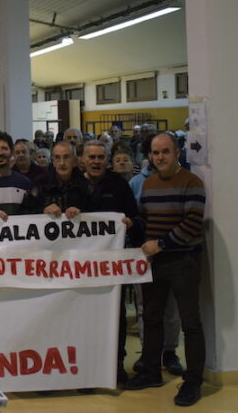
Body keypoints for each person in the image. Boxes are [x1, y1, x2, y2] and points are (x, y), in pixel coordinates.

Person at [126, 133, 206, 407]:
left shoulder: (192, 183)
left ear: (177, 152)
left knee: (190, 323)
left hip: (183, 261)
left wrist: (160, 244)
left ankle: (193, 381)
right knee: (151, 317)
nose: (160, 157)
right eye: (155, 152)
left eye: (165, 151)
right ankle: (151, 372)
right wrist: (131, 224)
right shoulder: (148, 184)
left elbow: (192, 224)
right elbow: (145, 219)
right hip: (155, 263)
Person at [80, 140, 142, 384]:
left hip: (111, 265)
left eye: (101, 157)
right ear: (83, 159)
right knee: (84, 315)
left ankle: (116, 362)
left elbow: (135, 216)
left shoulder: (119, 185)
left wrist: (130, 223)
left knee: (115, 313)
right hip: (80, 266)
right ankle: (86, 364)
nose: (96, 161)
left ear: (107, 160)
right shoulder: (74, 185)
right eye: (91, 157)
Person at [21, 141, 90, 217]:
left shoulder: (85, 185)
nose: (62, 163)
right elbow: (24, 212)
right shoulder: (40, 183)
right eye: (57, 158)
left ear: (74, 161)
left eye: (66, 157)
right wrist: (43, 211)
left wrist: (81, 212)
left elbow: (97, 212)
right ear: (53, 162)